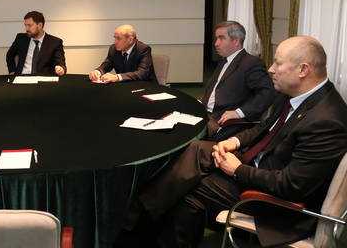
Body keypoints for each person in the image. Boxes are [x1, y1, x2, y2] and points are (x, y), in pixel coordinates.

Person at [117, 36, 347, 248]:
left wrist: (237, 170)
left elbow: (291, 186)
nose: (270, 69)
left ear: (303, 70)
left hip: (278, 203)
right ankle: (138, 217)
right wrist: (234, 141)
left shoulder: (326, 120)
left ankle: (134, 223)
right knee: (196, 149)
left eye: (278, 63)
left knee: (188, 188)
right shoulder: (295, 94)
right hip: (258, 164)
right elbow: (264, 127)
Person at [202, 21, 276, 140]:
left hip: (221, 122)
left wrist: (239, 112)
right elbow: (215, 88)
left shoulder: (251, 63)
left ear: (236, 41)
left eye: (221, 38)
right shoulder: (224, 60)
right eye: (216, 38)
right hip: (206, 113)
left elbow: (268, 93)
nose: (216, 43)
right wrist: (201, 101)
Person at [88, 24, 156, 83]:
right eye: (115, 38)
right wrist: (98, 72)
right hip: (124, 86)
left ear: (130, 40)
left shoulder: (143, 49)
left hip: (144, 85)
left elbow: (142, 73)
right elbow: (107, 64)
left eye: (118, 38)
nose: (115, 42)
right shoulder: (113, 49)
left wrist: (117, 77)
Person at [6, 11, 67, 76]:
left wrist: (61, 69)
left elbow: (60, 63)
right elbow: (10, 55)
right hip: (22, 77)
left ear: (40, 25)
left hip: (43, 78)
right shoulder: (21, 38)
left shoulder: (54, 42)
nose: (26, 29)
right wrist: (12, 71)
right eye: (25, 25)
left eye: (29, 25)